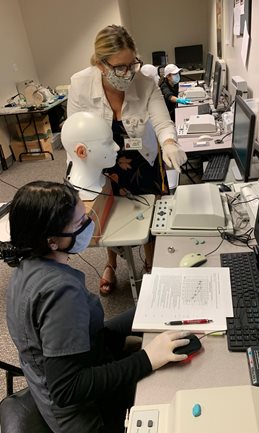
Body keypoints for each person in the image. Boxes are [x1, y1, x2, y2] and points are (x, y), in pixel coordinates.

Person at [3, 180, 192, 433]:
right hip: (86, 416)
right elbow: (67, 388)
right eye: (80, 222)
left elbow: (88, 334)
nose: (89, 225)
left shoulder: (26, 267)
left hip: (78, 368)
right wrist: (148, 359)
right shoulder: (60, 292)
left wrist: (149, 309)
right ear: (52, 241)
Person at [67, 24, 187, 295]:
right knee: (108, 212)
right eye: (119, 67)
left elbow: (162, 121)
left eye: (132, 64)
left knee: (149, 212)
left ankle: (151, 265)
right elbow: (73, 130)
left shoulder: (144, 81)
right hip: (104, 157)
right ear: (100, 64)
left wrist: (169, 143)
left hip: (141, 157)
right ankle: (110, 264)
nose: (128, 73)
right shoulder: (80, 84)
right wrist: (77, 156)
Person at [61, 111, 119, 200]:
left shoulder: (102, 180)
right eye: (108, 143)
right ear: (81, 152)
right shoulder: (81, 194)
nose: (117, 147)